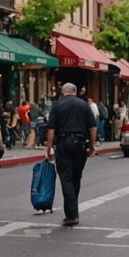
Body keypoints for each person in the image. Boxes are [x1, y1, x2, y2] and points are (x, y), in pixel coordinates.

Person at [44, 83, 97, 227]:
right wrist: (92, 145)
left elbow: (51, 129)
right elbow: (93, 127)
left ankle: (72, 214)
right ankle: (72, 212)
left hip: (63, 143)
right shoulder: (84, 105)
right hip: (80, 144)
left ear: (62, 92)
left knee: (66, 178)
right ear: (75, 92)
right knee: (76, 177)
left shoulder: (57, 106)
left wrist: (48, 149)